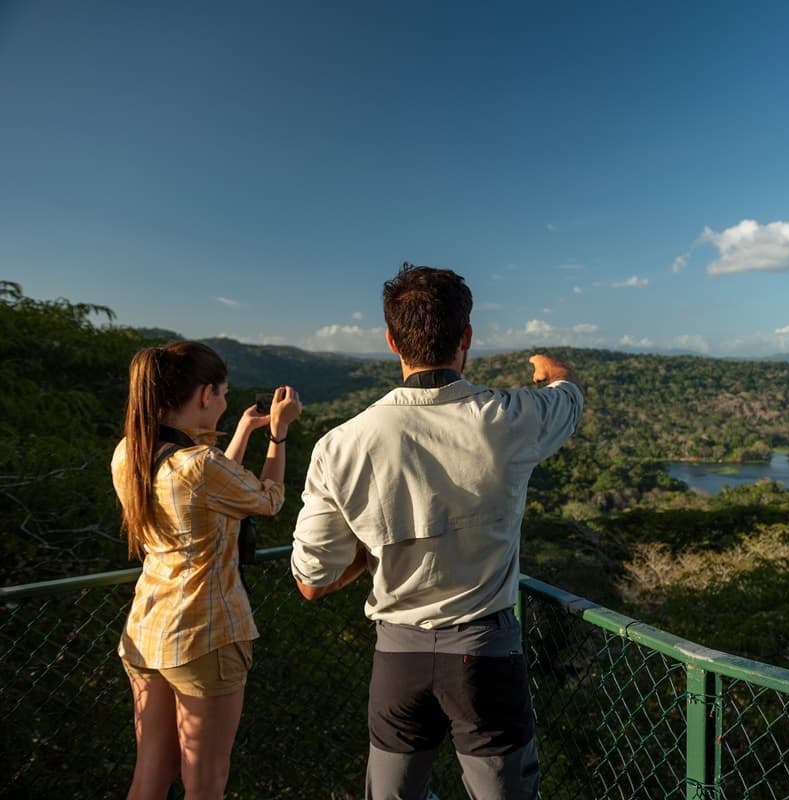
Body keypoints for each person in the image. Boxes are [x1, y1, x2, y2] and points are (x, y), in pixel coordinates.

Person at [291, 264, 583, 800]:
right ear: (465, 337)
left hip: (396, 657)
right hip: (485, 653)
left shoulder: (341, 445)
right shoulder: (508, 417)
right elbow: (568, 399)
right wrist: (552, 369)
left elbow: (311, 579)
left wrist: (373, 545)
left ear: (390, 340)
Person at [112, 340, 302, 800]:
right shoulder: (197, 465)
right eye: (222, 393)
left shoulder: (130, 454)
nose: (224, 401)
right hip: (205, 635)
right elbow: (266, 498)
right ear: (203, 395)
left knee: (150, 777)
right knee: (205, 784)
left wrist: (242, 432)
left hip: (149, 631)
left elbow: (214, 488)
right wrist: (278, 436)